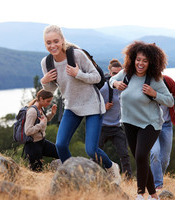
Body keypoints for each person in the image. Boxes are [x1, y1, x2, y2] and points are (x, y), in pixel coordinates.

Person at [40, 25, 121, 184]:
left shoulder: (77, 55)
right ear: (45, 44)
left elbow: (97, 78)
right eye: (48, 43)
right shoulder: (46, 62)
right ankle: (73, 176)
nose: (53, 45)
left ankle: (112, 168)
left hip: (92, 105)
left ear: (62, 40)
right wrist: (44, 82)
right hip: (72, 106)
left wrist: (79, 74)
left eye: (56, 41)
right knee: (60, 145)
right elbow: (52, 88)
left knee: (91, 150)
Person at [109, 41, 174, 200]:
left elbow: (170, 100)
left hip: (150, 124)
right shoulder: (126, 73)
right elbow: (111, 80)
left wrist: (154, 94)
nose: (140, 63)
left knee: (140, 156)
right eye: (138, 59)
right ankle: (154, 197)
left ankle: (140, 195)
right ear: (133, 59)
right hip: (129, 122)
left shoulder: (155, 79)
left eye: (145, 61)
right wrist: (116, 84)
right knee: (142, 158)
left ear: (151, 62)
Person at [150, 75, 175, 190]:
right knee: (155, 153)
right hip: (150, 125)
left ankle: (156, 178)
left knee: (165, 159)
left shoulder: (167, 81)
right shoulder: (144, 82)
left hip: (166, 124)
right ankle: (157, 185)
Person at [98, 59, 132, 180]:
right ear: (109, 73)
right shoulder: (104, 88)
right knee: (95, 154)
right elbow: (91, 106)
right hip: (102, 127)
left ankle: (128, 180)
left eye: (119, 73)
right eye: (113, 73)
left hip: (116, 126)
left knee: (124, 155)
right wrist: (103, 108)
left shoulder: (124, 88)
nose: (116, 76)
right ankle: (93, 177)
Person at [24, 89, 59, 171]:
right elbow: (28, 131)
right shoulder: (32, 111)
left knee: (60, 153)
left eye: (50, 101)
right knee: (37, 171)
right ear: (41, 99)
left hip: (41, 142)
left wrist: (52, 114)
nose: (49, 103)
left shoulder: (40, 108)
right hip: (33, 145)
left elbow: (43, 120)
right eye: (48, 101)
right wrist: (41, 125)